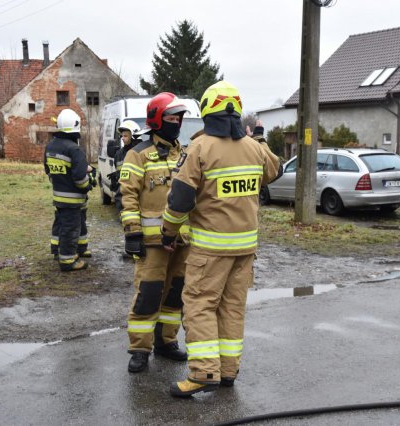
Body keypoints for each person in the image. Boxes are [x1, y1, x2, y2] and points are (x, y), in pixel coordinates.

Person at [161, 81, 282, 397]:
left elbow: (180, 202)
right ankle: (227, 372)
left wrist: (168, 233)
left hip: (210, 250)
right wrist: (257, 138)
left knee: (199, 305)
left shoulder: (200, 149)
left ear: (206, 111)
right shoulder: (255, 149)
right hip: (245, 249)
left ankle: (203, 373)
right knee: (232, 308)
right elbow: (276, 170)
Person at [120, 92, 191, 373]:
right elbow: (127, 196)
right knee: (148, 294)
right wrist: (132, 233)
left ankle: (166, 342)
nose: (176, 122)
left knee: (175, 295)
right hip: (151, 244)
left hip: (182, 241)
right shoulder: (137, 154)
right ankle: (139, 349)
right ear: (157, 119)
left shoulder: (184, 153)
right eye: (171, 117)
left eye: (179, 117)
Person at [45, 108, 93, 271]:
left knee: (61, 224)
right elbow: (80, 179)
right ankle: (67, 260)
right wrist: (89, 184)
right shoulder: (74, 149)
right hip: (73, 199)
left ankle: (58, 250)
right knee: (71, 228)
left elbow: (49, 170)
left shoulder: (50, 146)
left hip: (58, 196)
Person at [110, 120, 142, 212]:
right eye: (122, 136)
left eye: (125, 136)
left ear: (133, 136)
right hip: (123, 192)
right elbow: (120, 170)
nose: (122, 138)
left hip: (139, 191)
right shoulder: (119, 154)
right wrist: (116, 177)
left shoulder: (141, 151)